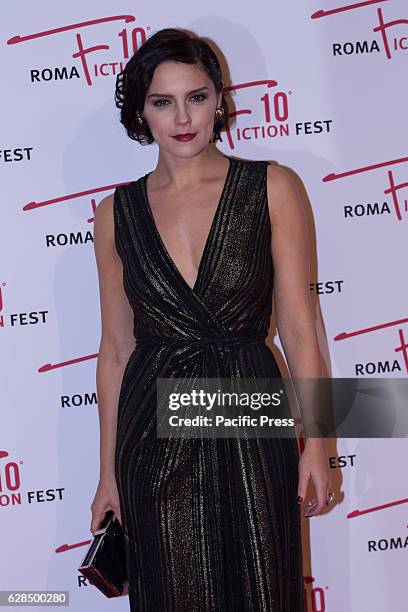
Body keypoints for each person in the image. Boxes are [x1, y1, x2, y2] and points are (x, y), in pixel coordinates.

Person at [90, 27, 332, 612]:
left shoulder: (272, 187)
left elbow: (300, 328)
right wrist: (108, 476)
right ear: (139, 110)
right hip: (152, 427)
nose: (182, 118)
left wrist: (320, 442)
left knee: (265, 587)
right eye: (162, 101)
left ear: (219, 99)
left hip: (251, 409)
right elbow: (117, 349)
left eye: (196, 97)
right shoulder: (112, 214)